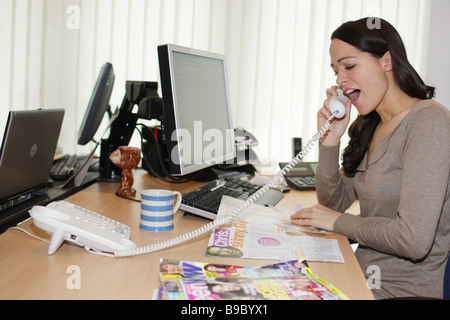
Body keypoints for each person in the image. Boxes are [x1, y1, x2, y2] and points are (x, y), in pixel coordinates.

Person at [291, 17, 450, 299]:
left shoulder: (429, 122)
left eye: (349, 66)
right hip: (357, 276)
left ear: (386, 61)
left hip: (399, 291)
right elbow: (334, 203)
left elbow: (413, 240)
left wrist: (338, 222)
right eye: (336, 70)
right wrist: (330, 142)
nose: (340, 79)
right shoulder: (371, 123)